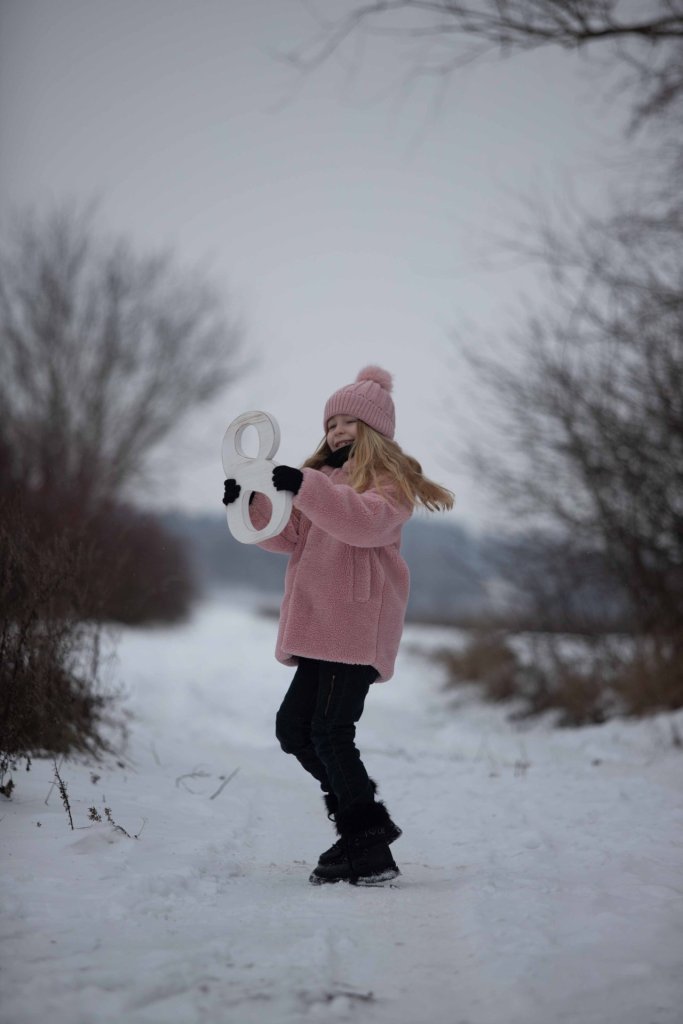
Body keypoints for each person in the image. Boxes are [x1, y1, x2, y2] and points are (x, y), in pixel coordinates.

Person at [222, 366, 454, 885]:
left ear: (375, 431)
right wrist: (253, 503)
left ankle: (366, 846)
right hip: (318, 625)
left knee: (330, 731)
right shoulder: (321, 482)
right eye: (332, 423)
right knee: (295, 730)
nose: (338, 431)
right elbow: (287, 537)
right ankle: (363, 825)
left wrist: (301, 485)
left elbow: (360, 522)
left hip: (355, 626)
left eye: (351, 422)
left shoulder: (389, 486)